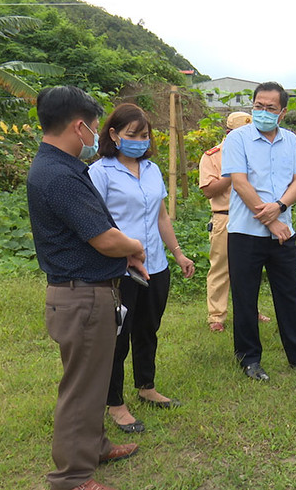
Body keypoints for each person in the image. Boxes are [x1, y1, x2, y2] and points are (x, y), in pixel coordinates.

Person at [27, 86, 144, 490]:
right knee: (80, 390)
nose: (96, 134)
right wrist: (134, 247)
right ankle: (72, 477)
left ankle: (95, 446)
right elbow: (105, 239)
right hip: (81, 295)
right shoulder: (59, 175)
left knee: (92, 382)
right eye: (94, 126)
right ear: (79, 127)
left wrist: (123, 256)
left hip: (88, 291)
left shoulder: (59, 166)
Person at [88, 103, 195, 434]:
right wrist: (119, 253)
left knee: (148, 329)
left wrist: (178, 254)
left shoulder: (151, 170)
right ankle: (115, 403)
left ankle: (146, 386)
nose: (139, 141)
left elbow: (161, 216)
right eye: (132, 135)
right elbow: (96, 223)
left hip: (156, 265)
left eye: (144, 135)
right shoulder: (100, 172)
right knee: (117, 337)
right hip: (120, 270)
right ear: (113, 135)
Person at [221, 81, 296, 381]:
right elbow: (240, 182)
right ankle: (249, 358)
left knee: (290, 295)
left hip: (284, 233)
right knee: (245, 297)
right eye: (258, 106)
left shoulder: (290, 140)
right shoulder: (238, 139)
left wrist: (281, 206)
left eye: (270, 108)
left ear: (282, 112)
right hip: (246, 233)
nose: (263, 112)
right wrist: (271, 220)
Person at [199, 111, 272, 332]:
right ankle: (216, 315)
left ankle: (250, 311)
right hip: (225, 217)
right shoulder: (213, 156)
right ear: (229, 133)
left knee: (251, 269)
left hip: (253, 217)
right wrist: (233, 173)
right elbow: (208, 190)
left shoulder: (260, 153)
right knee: (221, 268)